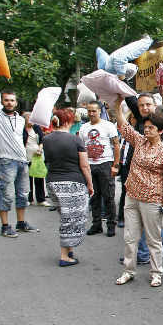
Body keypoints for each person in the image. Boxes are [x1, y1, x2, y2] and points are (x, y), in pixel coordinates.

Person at [112, 98, 163, 287]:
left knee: (153, 239)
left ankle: (156, 273)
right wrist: (117, 106)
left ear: (160, 131)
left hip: (152, 199)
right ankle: (128, 270)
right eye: (146, 127)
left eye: (151, 128)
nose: (146, 130)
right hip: (132, 196)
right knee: (130, 238)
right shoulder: (139, 142)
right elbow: (124, 127)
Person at [0, 70, 38, 237]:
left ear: (16, 102)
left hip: (22, 160)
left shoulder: (20, 119)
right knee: (6, 194)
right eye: (6, 100)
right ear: (2, 101)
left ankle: (21, 223)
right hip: (6, 160)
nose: (9, 103)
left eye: (12, 100)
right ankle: (5, 226)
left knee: (23, 193)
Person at [124, 93, 163, 263]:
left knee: (150, 231)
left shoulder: (162, 139)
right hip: (135, 192)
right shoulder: (141, 138)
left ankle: (149, 261)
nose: (144, 108)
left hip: (153, 193)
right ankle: (138, 261)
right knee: (143, 230)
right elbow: (124, 127)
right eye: (141, 105)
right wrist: (115, 106)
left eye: (148, 104)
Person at [42, 108, 93, 267]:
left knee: (65, 216)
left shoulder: (46, 139)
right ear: (69, 121)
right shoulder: (75, 140)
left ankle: (69, 250)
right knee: (72, 219)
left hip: (52, 182)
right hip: (73, 183)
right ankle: (65, 256)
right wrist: (90, 184)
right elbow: (84, 166)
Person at [79, 101, 120, 237]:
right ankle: (96, 224)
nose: (91, 113)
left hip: (105, 163)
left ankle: (111, 224)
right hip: (90, 165)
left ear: (99, 111)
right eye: (89, 111)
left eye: (94, 111)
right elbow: (81, 148)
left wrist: (115, 165)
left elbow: (116, 145)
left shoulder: (108, 126)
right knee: (94, 197)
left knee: (108, 196)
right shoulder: (84, 128)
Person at [23, 113, 49, 207]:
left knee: (39, 177)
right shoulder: (22, 129)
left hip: (37, 155)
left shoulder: (36, 128)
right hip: (26, 155)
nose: (31, 121)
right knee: (28, 178)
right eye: (29, 119)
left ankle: (41, 199)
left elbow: (42, 139)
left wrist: (40, 148)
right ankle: (29, 199)